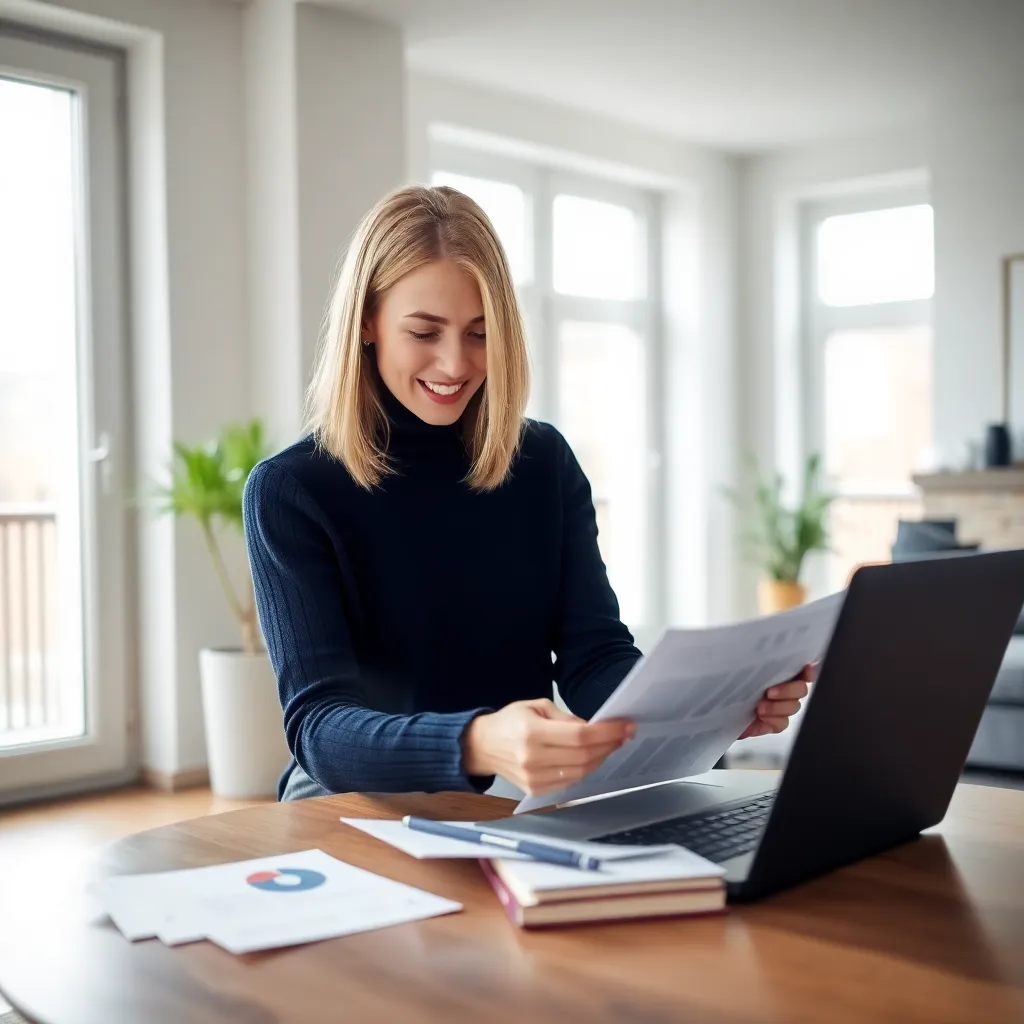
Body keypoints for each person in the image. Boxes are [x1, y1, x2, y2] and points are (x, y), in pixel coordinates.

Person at [243, 184, 810, 802]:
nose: (455, 364)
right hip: (353, 793)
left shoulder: (542, 462)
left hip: (519, 783)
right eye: (425, 333)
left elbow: (595, 659)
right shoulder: (292, 490)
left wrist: (706, 711)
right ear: (368, 323)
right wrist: (477, 742)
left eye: (480, 334)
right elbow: (321, 729)